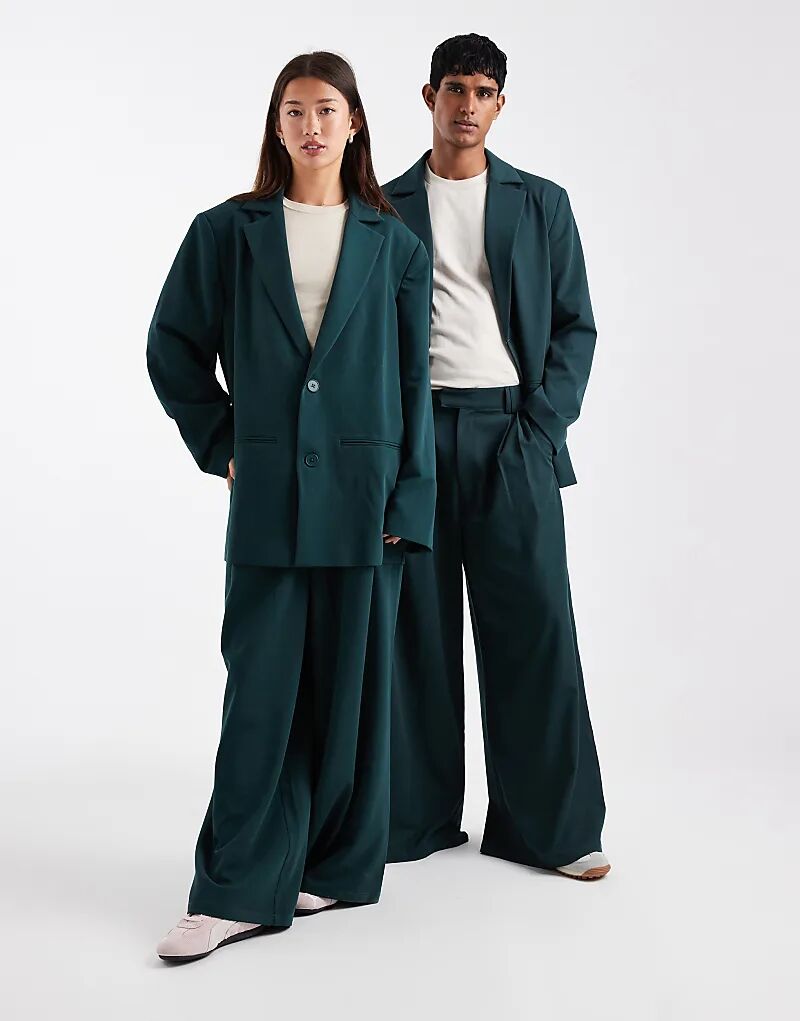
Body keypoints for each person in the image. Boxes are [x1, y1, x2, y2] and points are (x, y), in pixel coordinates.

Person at [146, 51, 435, 963]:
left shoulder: (395, 244)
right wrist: (224, 443)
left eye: (327, 109)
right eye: (295, 110)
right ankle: (232, 886)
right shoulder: (225, 231)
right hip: (270, 495)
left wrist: (411, 495)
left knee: (352, 695)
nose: (312, 125)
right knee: (261, 694)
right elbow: (171, 347)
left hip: (367, 497)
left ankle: (337, 865)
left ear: (355, 123)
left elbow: (412, 382)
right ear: (277, 125)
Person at [382, 34, 610, 880]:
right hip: (414, 439)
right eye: (454, 89)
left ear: (500, 104)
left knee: (535, 628)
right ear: (429, 97)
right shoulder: (384, 206)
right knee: (413, 633)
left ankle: (552, 830)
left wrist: (540, 428)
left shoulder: (541, 202)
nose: (467, 105)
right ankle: (414, 820)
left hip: (512, 434)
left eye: (483, 91)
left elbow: (575, 324)